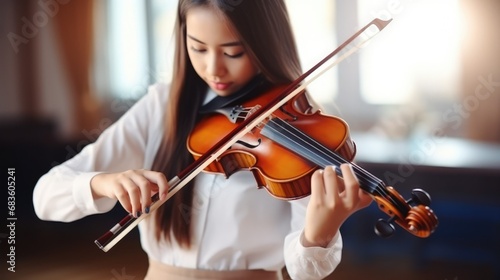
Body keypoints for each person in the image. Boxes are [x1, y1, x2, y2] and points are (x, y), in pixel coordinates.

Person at [33, 0, 372, 279]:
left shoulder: (303, 127)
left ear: (266, 45)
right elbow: (45, 197)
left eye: (233, 52)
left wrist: (319, 235)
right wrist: (106, 183)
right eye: (198, 48)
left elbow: (303, 270)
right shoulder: (160, 107)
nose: (214, 69)